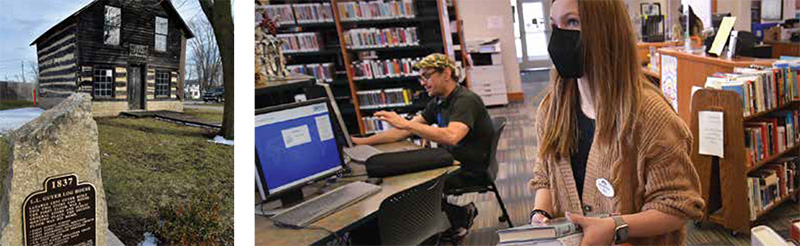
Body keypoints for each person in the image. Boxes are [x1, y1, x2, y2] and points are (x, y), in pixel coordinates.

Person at [528, 0, 705, 245]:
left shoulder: (650, 115)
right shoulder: (552, 109)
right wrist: (541, 213)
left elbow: (679, 205)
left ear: (606, 29)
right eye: (554, 24)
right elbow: (545, 175)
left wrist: (616, 227)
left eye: (572, 22)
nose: (559, 36)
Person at [352, 53, 494, 239]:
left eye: (427, 76)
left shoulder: (465, 100)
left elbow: (452, 136)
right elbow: (402, 132)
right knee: (402, 180)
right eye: (421, 77)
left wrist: (406, 124)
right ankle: (453, 216)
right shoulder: (439, 101)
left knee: (404, 187)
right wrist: (359, 142)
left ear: (446, 74)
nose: (423, 82)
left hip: (469, 169)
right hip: (452, 163)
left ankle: (452, 218)